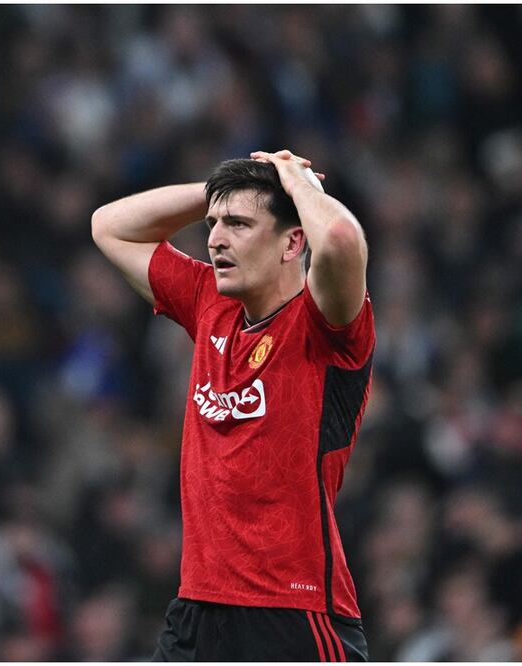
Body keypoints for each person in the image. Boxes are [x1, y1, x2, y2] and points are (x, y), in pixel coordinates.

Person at [92, 149, 374, 661]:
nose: (215, 238)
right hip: (198, 608)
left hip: (293, 615)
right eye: (213, 224)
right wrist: (221, 191)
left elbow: (337, 238)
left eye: (238, 224)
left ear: (292, 242)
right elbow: (109, 226)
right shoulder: (210, 303)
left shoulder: (325, 327)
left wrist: (293, 181)